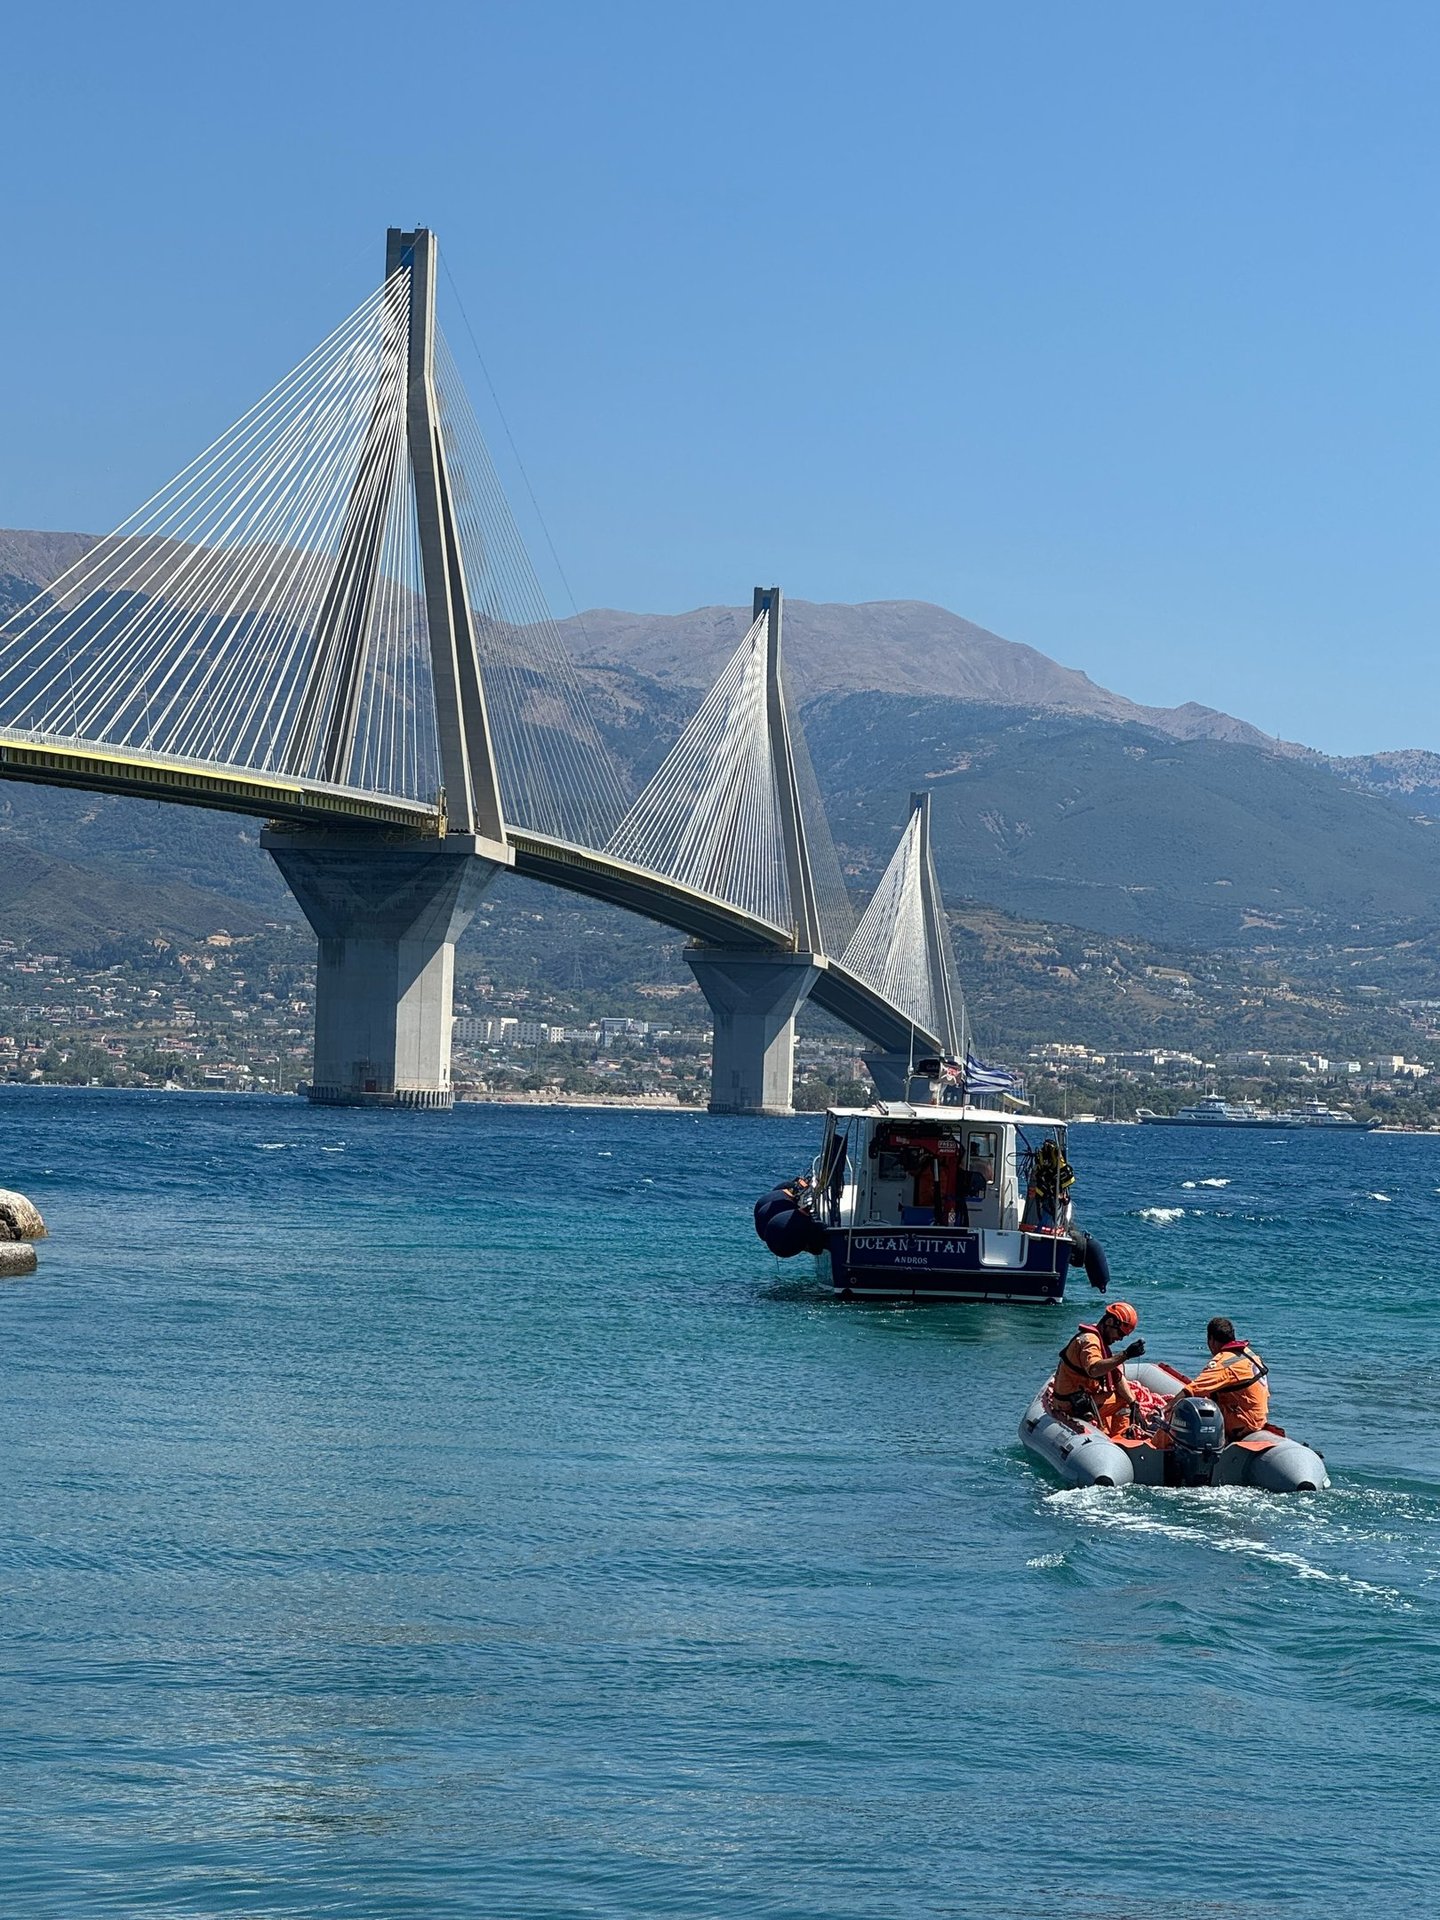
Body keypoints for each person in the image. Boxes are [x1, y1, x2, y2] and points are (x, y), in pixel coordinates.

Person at [1051, 1301, 1146, 1437]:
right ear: (1109, 1322)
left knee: (1128, 1398)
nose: (1119, 1339)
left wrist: (1134, 1403)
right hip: (1071, 1405)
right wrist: (1125, 1355)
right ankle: (1121, 1438)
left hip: (1079, 1399)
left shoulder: (1097, 1338)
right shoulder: (1090, 1341)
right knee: (1122, 1400)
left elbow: (1116, 1376)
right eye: (1119, 1333)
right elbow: (1094, 1369)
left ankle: (1112, 1431)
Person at [1173, 1318, 1269, 1439]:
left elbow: (1191, 1390)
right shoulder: (1249, 1354)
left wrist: (1165, 1409)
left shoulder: (1223, 1363)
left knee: (1187, 1412)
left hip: (1244, 1422)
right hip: (1259, 1417)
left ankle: (1157, 1445)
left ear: (1211, 1340)